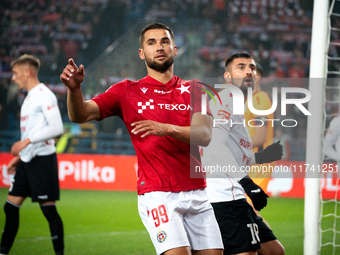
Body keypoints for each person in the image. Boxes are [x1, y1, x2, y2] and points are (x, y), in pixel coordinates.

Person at [60, 23, 223, 255]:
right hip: (158, 194)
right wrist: (74, 90)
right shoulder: (126, 91)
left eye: (165, 41)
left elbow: (205, 135)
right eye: (151, 42)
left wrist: (165, 128)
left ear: (175, 49)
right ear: (141, 53)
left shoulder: (195, 89)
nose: (159, 47)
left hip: (198, 193)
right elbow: (80, 114)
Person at [201, 53, 285, 255]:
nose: (249, 71)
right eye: (241, 67)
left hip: (235, 196)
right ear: (227, 77)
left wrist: (262, 157)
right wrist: (247, 183)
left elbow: (238, 156)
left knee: (275, 251)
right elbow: (215, 146)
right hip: (223, 197)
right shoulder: (226, 100)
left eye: (252, 68)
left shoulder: (238, 106)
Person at [0, 54, 64, 255]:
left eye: (16, 73)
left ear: (27, 72)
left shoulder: (45, 95)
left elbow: (56, 127)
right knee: (10, 208)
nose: (13, 77)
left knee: (48, 211)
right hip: (27, 161)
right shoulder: (28, 97)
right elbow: (34, 131)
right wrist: (20, 157)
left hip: (43, 160)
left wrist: (25, 142)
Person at [244, 63, 275, 226]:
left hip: (259, 161)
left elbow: (260, 136)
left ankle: (273, 249)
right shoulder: (250, 99)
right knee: (244, 208)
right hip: (249, 160)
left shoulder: (260, 99)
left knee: (247, 208)